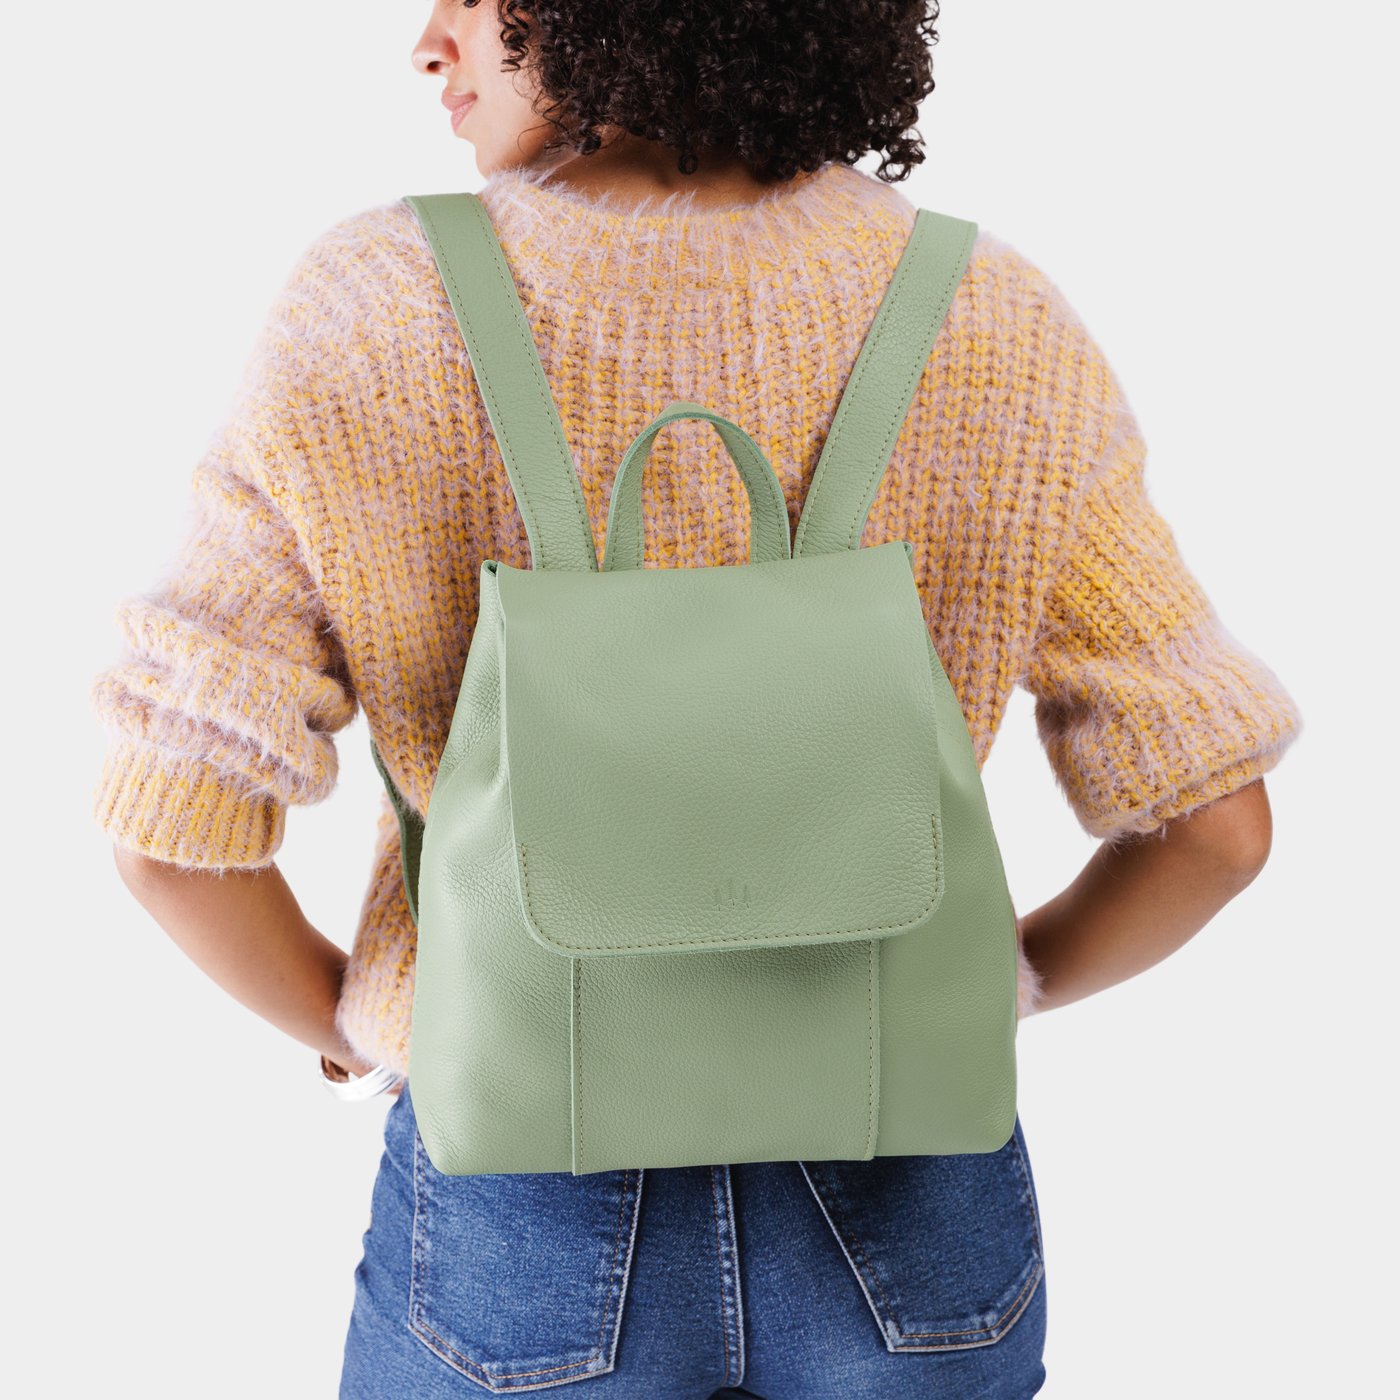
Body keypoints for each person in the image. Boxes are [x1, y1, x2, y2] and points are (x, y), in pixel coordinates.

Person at [89, 2, 1303, 1396]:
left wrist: (376, 1023)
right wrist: (992, 986)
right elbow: (1223, 829)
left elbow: (167, 829)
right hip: (913, 1212)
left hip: (522, 1202)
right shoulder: (988, 315)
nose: (429, 40)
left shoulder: (372, 307)